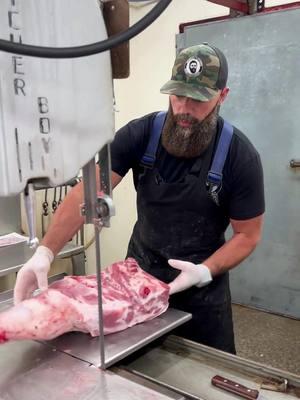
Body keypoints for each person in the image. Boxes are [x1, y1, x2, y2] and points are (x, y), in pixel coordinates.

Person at [14, 43, 265, 354]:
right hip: (137, 281)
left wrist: (204, 271)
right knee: (135, 370)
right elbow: (88, 191)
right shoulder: (140, 134)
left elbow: (247, 235)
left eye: (198, 100)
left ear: (222, 96)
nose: (185, 109)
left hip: (203, 292)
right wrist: (45, 252)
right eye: (178, 95)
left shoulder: (239, 157)